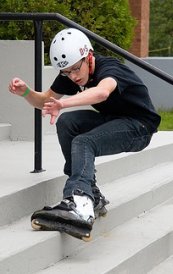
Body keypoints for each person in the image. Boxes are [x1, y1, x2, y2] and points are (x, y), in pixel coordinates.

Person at [9, 28, 161, 232]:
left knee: (84, 141)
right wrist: (25, 92)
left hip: (139, 126)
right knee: (67, 123)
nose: (72, 77)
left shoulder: (110, 68)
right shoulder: (71, 72)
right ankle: (92, 196)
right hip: (112, 119)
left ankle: (80, 202)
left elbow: (102, 92)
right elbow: (45, 101)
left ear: (88, 56)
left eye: (75, 69)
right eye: (66, 72)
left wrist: (63, 104)